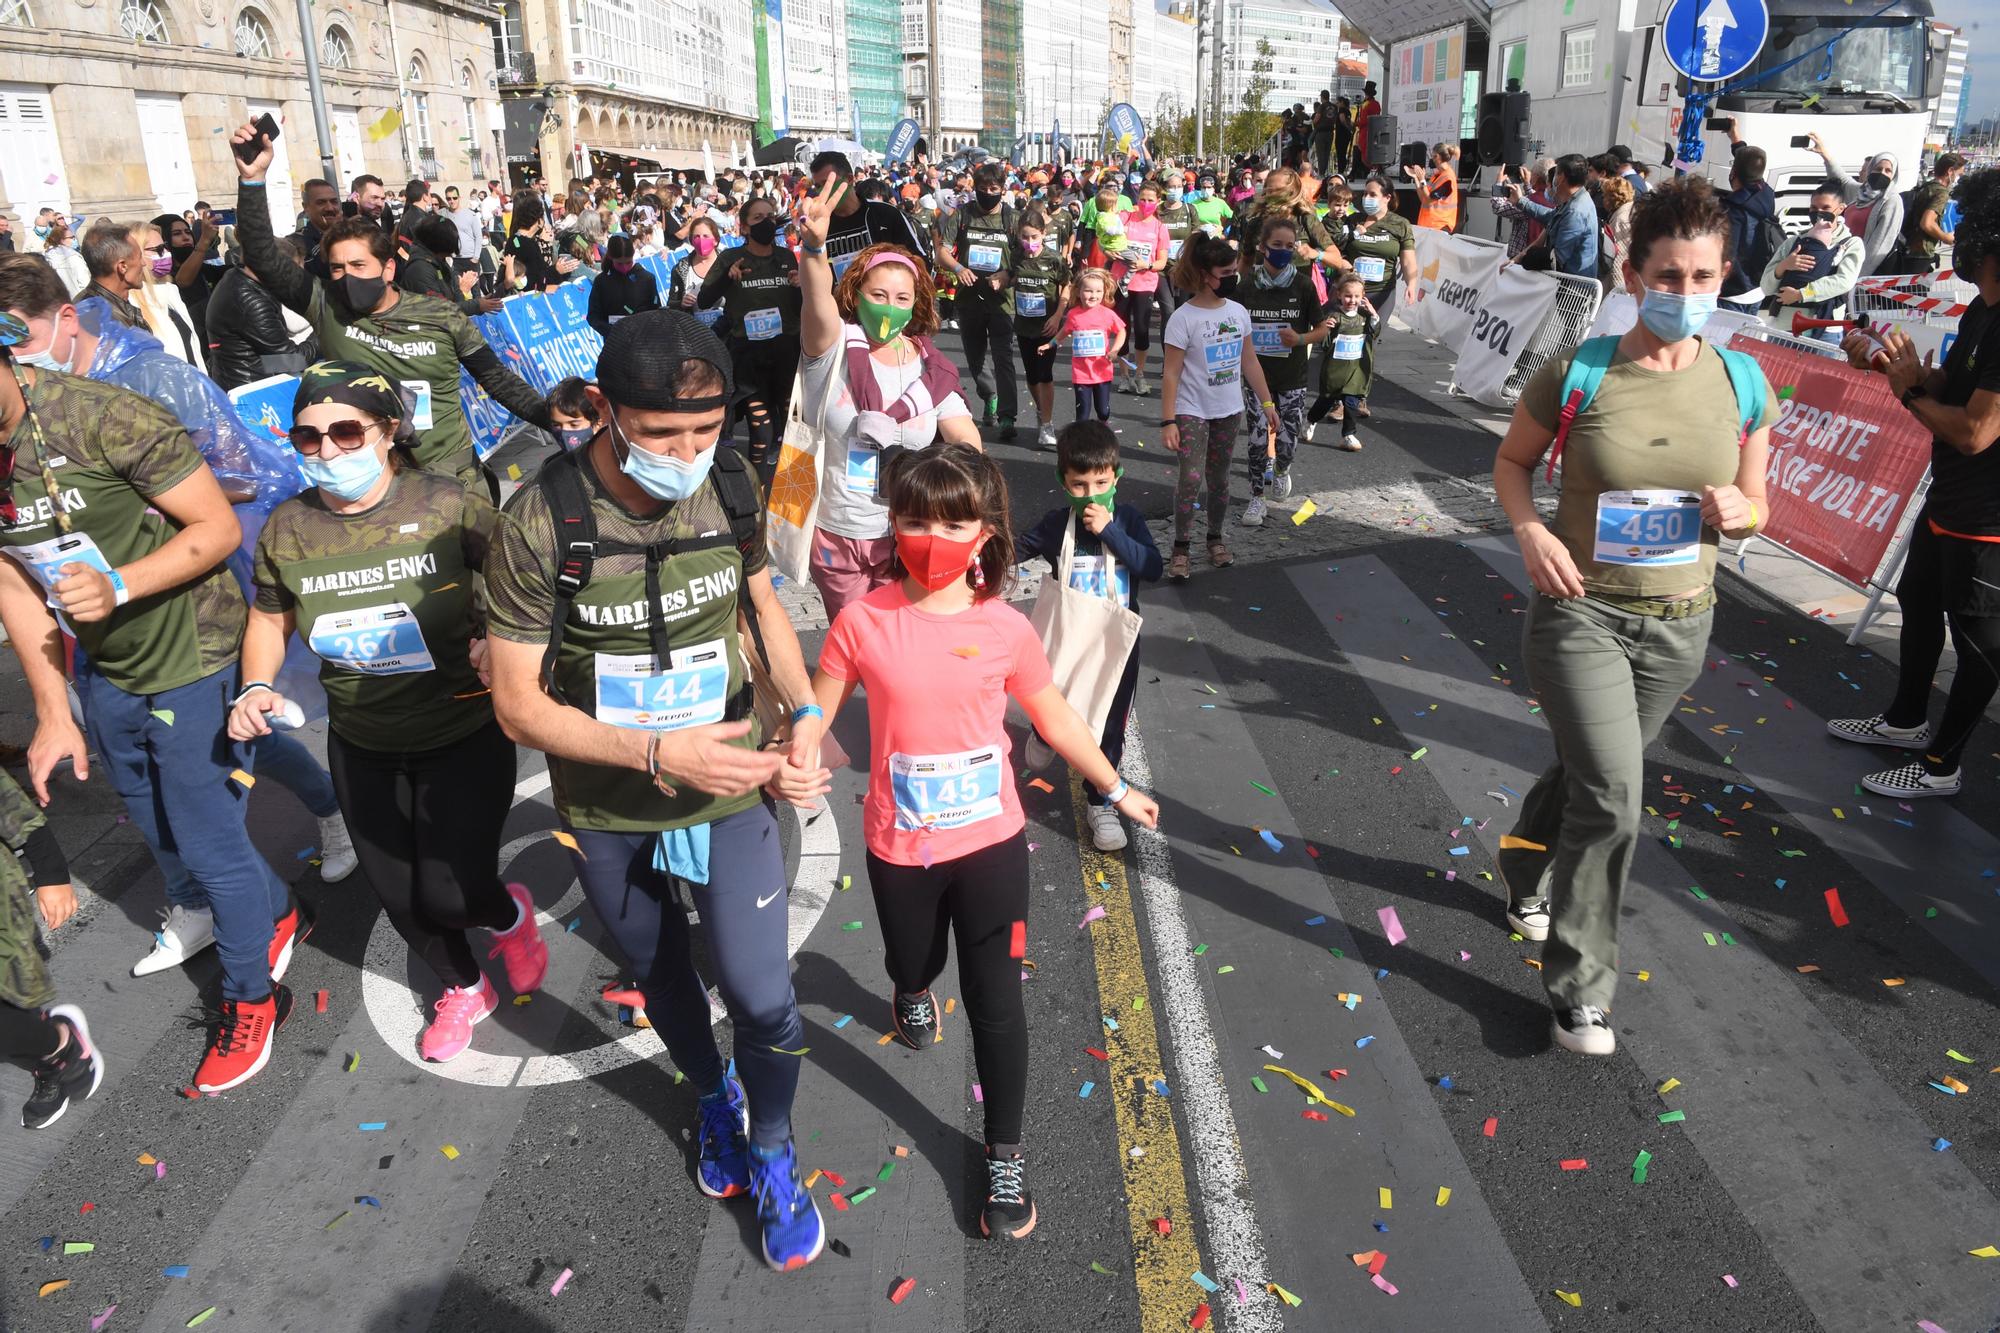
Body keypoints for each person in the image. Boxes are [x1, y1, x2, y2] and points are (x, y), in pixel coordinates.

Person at [485, 310, 830, 1272]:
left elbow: (760, 604)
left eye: (705, 431)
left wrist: (802, 713)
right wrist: (654, 754)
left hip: (726, 781)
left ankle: (771, 1148)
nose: (687, 453)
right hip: (610, 802)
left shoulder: (731, 480)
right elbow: (516, 706)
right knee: (667, 974)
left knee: (765, 996)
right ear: (603, 409)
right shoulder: (537, 518)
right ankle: (712, 1100)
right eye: (661, 432)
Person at [809, 442, 1159, 1240]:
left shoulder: (1005, 626)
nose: (933, 534)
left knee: (998, 1002)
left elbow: (1058, 716)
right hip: (901, 845)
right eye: (915, 519)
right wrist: (794, 751)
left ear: (984, 531)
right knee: (912, 961)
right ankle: (909, 988)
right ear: (892, 525)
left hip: (991, 843)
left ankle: (1005, 1154)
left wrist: (1114, 785)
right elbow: (815, 710)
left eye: (954, 520)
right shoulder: (863, 620)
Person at [1490, 178, 1777, 1056]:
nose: (1685, 294)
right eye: (1668, 275)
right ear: (1631, 269)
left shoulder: (1744, 379)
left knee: (1590, 776)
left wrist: (1743, 512)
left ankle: (1521, 862)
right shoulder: (1582, 369)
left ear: (1724, 277)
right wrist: (1533, 530)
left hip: (1682, 624)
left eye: (1702, 278)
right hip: (1584, 615)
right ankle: (1580, 989)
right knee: (1615, 795)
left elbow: (1762, 502)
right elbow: (1511, 462)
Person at [0, 306, 310, 1091]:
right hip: (106, 665)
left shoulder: (102, 413)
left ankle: (253, 999)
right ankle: (275, 908)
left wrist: (120, 583)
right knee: (155, 823)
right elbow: (11, 577)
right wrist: (49, 707)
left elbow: (214, 527)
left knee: (207, 838)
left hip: (192, 647)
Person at [229, 361, 548, 1064]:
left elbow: (521, 583)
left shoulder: (448, 504)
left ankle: (506, 913)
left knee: (452, 887)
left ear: (387, 431)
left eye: (347, 431)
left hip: (462, 728)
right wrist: (254, 685)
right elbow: (268, 615)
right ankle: (463, 985)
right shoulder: (289, 527)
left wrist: (498, 643)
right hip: (361, 737)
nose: (328, 451)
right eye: (309, 438)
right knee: (402, 895)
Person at [232, 119, 552, 492]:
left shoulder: (441, 315)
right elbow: (262, 256)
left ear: (386, 269)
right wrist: (252, 181)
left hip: (448, 476)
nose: (346, 276)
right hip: (371, 481)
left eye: (357, 266)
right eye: (337, 268)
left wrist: (556, 419)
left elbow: (497, 380)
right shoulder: (325, 304)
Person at [1830, 168, 2000, 799]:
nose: (1947, 236)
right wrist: (1892, 366)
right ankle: (1905, 722)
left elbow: (1975, 431)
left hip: (1987, 518)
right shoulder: (1985, 307)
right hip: (1952, 498)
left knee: (1980, 641)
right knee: (1918, 599)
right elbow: (1949, 395)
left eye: (1961, 227)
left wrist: (1906, 391)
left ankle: (1941, 766)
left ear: (1986, 240)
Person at [793, 176, 979, 624]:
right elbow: (817, 300)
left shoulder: (931, 370)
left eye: (902, 298)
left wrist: (964, 504)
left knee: (900, 645)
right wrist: (815, 250)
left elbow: (968, 444)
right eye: (878, 295)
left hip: (909, 535)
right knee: (855, 644)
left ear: (916, 305)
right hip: (837, 534)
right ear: (855, 295)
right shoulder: (833, 349)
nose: (888, 307)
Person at [1017, 420, 1163, 849]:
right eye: (1079, 485)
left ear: (1115, 478)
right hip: (1067, 637)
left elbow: (1150, 567)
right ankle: (1046, 731)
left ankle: (1100, 802)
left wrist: (1110, 531)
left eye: (1100, 483)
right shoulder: (1056, 524)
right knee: (1055, 698)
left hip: (1117, 644)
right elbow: (1017, 549)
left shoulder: (1129, 520)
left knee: (1110, 722)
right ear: (1063, 482)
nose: (1090, 495)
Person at [1161, 236, 1280, 581]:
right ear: (1205, 274)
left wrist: (1267, 402)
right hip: (1191, 410)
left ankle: (1215, 539)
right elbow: (1171, 372)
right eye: (1225, 272)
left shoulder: (1238, 312)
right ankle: (1180, 547)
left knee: (1220, 480)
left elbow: (1250, 361)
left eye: (1234, 271)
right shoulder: (1183, 319)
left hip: (1229, 409)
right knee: (1190, 478)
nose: (1232, 277)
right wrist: (1167, 420)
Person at [1236, 216, 1329, 522]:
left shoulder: (1302, 285)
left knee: (1288, 441)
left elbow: (1322, 329)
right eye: (1277, 245)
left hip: (1292, 377)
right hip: (1256, 376)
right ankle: (1256, 498)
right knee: (1257, 439)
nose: (1283, 251)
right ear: (1263, 248)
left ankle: (1282, 469)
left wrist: (1300, 338)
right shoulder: (1247, 285)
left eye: (1290, 246)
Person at [699, 195, 800, 467]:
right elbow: (704, 300)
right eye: (758, 218)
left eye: (770, 217)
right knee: (761, 428)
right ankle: (755, 484)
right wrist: (725, 278)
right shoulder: (732, 258)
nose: (766, 222)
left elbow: (800, 307)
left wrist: (802, 286)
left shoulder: (787, 257)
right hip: (749, 359)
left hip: (786, 355)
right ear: (744, 226)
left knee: (793, 429)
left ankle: (787, 487)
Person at [935, 163, 1019, 441]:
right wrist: (959, 269)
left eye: (994, 189)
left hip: (1002, 301)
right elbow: (941, 254)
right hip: (969, 299)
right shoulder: (961, 215)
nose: (988, 194)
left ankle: (1008, 416)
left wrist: (1007, 275)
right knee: (975, 359)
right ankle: (989, 394)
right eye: (983, 189)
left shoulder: (1012, 219)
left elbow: (1026, 256)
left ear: (1002, 190)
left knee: (1003, 357)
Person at [206, 236, 319, 389]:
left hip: (250, 374)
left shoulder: (237, 278)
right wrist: (323, 334)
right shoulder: (251, 301)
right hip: (252, 389)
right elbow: (291, 361)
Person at [1761, 184, 1864, 341]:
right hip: (1784, 327)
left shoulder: (1851, 244)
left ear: (1841, 208)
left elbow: (1844, 281)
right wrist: (1784, 266)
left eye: (1826, 207)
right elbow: (1766, 287)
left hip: (1825, 330)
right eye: (1814, 208)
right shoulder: (1794, 242)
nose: (1819, 213)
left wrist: (1801, 294)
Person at [809, 151, 930, 278]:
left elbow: (920, 263)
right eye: (818, 186)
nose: (823, 190)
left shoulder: (885, 214)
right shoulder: (819, 224)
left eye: (829, 183)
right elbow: (814, 272)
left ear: (850, 179)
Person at [1009, 209, 1071, 449]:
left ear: (1044, 234)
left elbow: (1067, 286)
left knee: (1045, 375)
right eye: (1025, 237)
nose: (1030, 242)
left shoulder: (1054, 259)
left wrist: (1058, 316)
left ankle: (1047, 424)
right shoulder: (1016, 256)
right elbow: (1010, 275)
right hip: (1025, 326)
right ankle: (1041, 411)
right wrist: (999, 279)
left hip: (1048, 326)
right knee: (1032, 377)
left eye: (1034, 236)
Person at [1803, 135, 1904, 278]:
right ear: (1870, 170)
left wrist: (1857, 276)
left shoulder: (1891, 201)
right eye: (1878, 168)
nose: (1882, 173)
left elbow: (1880, 244)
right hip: (1841, 260)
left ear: (1894, 175)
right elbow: (1842, 179)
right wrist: (1824, 154)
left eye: (1888, 171)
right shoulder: (1861, 191)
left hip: (1859, 270)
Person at [1111, 181, 1173, 396]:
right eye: (1143, 199)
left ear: (1158, 202)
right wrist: (1111, 253)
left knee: (1143, 331)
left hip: (1145, 284)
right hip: (1121, 282)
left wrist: (1145, 265)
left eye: (1150, 200)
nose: (1146, 204)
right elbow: (1105, 242)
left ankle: (1140, 374)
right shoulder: (1124, 218)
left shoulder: (1160, 227)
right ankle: (1125, 376)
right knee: (1122, 330)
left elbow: (1162, 262)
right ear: (1137, 199)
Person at [1042, 269, 1124, 425]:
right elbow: (1063, 333)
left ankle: (1103, 433)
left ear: (1104, 292)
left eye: (1099, 291)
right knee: (1082, 413)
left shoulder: (1107, 314)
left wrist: (1115, 351)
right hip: (1081, 373)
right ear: (1078, 292)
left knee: (1103, 411)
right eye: (1088, 291)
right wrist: (1049, 344)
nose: (1094, 295)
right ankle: (1082, 442)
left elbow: (1121, 331)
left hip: (1102, 371)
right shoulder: (1073, 314)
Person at [1310, 273, 1380, 451]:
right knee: (1325, 402)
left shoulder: (1365, 317)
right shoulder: (1335, 317)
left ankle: (1348, 435)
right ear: (1339, 295)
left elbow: (1374, 332)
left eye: (1357, 296)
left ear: (1362, 296)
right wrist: (1327, 329)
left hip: (1356, 370)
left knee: (1351, 403)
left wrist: (1374, 315)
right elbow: (1325, 345)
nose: (1352, 300)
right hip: (1335, 370)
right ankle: (1310, 420)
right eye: (1348, 295)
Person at [1506, 155, 1600, 281]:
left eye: (1555, 173)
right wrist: (1520, 201)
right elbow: (1551, 216)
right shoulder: (1576, 200)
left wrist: (1527, 258)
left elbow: (1555, 258)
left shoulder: (1575, 211)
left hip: (1574, 289)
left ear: (1561, 177)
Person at [1717, 134, 1778, 304]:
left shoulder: (1733, 211)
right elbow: (1751, 165)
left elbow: (1728, 252)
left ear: (1733, 173)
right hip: (1758, 288)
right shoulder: (1766, 193)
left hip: (1734, 293)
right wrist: (1736, 140)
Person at [1887, 152, 1965, 276]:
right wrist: (1946, 238)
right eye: (1959, 174)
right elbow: (1927, 223)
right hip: (1921, 252)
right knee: (1915, 293)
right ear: (1950, 171)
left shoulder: (1924, 187)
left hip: (1905, 247)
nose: (1959, 178)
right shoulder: (1941, 192)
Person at [588, 232, 662, 342]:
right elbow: (593, 316)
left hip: (642, 342)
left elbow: (656, 310)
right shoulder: (601, 281)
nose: (624, 267)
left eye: (628, 262)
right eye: (619, 263)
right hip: (614, 344)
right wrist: (610, 330)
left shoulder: (647, 279)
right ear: (611, 258)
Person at [503, 194, 576, 294]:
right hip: (533, 298)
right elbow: (536, 279)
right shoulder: (528, 245)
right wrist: (557, 270)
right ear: (538, 220)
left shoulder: (515, 239)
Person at [77, 222, 145, 329]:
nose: (144, 263)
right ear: (122, 267)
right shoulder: (98, 321)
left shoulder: (111, 306)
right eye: (140, 257)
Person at [668, 216, 727, 331]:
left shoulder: (728, 264)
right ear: (691, 241)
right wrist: (681, 303)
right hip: (695, 334)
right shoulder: (680, 268)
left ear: (715, 240)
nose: (701, 240)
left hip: (726, 333)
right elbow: (671, 304)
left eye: (706, 236)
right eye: (696, 237)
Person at [1492, 161, 1554, 260]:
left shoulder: (1528, 202)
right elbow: (1537, 199)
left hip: (1521, 260)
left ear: (1537, 177)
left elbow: (1498, 207)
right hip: (1541, 257)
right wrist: (1527, 184)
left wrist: (1498, 183)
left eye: (1532, 173)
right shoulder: (1553, 199)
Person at [1408, 144, 1462, 232]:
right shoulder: (1437, 176)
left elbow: (1429, 201)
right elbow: (1424, 199)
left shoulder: (1448, 179)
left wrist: (1422, 180)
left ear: (1439, 157)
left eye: (1434, 156)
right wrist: (1416, 178)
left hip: (1440, 227)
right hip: (1428, 227)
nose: (1432, 159)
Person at [1599, 176, 1635, 285]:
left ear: (1612, 198)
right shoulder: (1630, 209)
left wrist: (1617, 291)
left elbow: (1618, 259)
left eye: (1604, 196)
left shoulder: (1620, 220)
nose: (1603, 199)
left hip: (1620, 284)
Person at [39, 217, 85, 298]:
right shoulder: (74, 257)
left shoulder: (46, 256)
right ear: (61, 240)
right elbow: (85, 282)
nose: (74, 240)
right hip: (77, 301)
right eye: (71, 237)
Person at [1351, 82, 1381, 177]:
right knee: (1368, 150)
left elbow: (1364, 121)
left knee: (1362, 150)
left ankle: (1357, 172)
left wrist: (1355, 123)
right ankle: (1363, 171)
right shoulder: (1376, 104)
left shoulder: (1366, 105)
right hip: (1374, 131)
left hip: (1365, 131)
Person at [1311, 91, 1338, 179]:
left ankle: (1321, 173)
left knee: (1320, 153)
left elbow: (1317, 118)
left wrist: (1312, 122)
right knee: (1327, 153)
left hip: (1321, 132)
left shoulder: (1321, 106)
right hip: (1330, 132)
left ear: (1322, 97)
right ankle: (1325, 171)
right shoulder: (1334, 107)